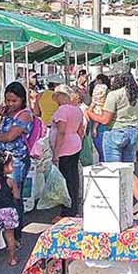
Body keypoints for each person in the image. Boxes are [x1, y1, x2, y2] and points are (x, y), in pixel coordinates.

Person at [86, 72, 138, 220]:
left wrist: (89, 113)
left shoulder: (114, 95)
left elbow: (104, 119)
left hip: (115, 133)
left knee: (113, 171)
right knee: (128, 171)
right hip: (133, 133)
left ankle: (116, 209)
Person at [0, 82, 32, 244]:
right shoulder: (8, 112)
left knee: (14, 197)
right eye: (8, 100)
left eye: (14, 101)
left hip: (16, 161)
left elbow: (9, 136)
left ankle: (15, 234)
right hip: (2, 159)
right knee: (2, 196)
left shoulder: (24, 115)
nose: (10, 104)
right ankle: (6, 231)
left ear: (22, 100)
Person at [51, 85, 85, 217]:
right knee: (73, 177)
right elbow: (81, 130)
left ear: (61, 96)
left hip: (64, 147)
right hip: (75, 143)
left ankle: (67, 210)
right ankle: (73, 207)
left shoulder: (62, 111)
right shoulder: (77, 110)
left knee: (64, 179)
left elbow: (61, 132)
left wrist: (56, 153)